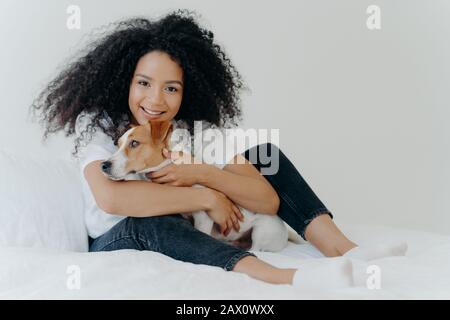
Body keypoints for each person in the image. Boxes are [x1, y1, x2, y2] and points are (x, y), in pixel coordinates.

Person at [31, 10, 406, 289]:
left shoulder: (196, 132)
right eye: (144, 82)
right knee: (152, 221)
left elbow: (266, 201)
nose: (155, 100)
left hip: (186, 223)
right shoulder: (97, 125)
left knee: (264, 154)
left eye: (172, 88)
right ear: (124, 81)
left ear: (188, 91)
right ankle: (283, 277)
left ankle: (344, 249)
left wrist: (203, 175)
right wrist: (207, 198)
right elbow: (111, 199)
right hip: (121, 233)